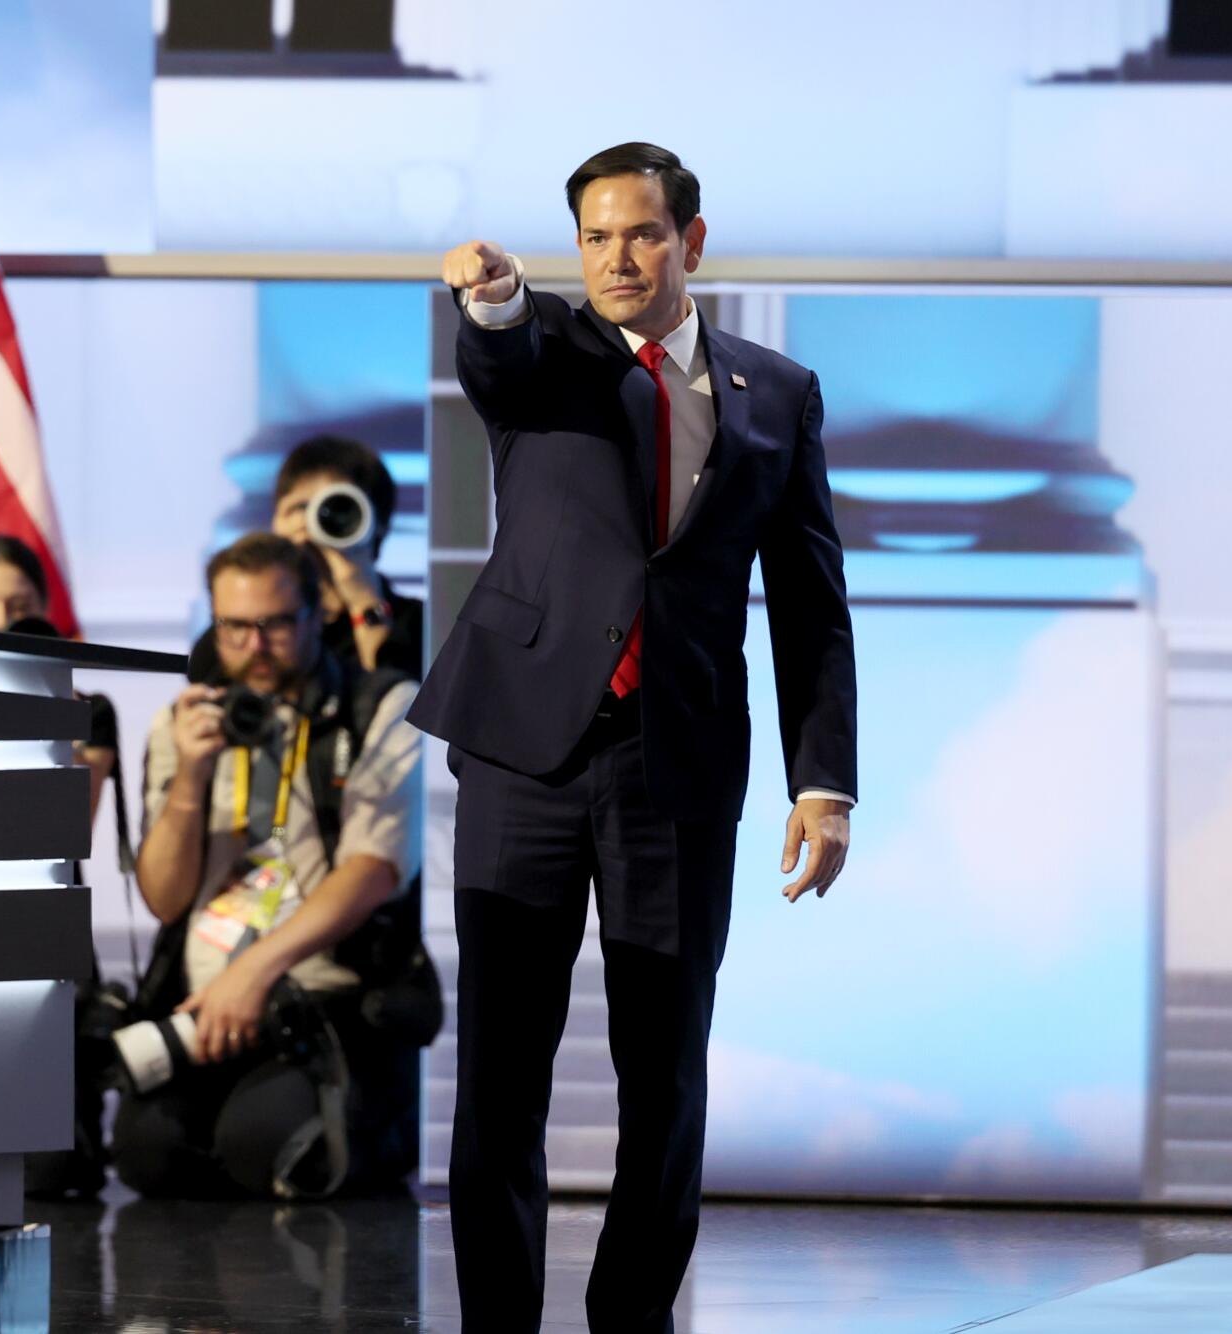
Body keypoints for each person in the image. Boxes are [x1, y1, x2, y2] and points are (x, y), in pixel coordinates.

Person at [412, 143, 860, 1332]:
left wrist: (824, 783)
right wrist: (494, 297)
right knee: (501, 1071)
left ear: (690, 241)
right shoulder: (544, 352)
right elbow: (494, 356)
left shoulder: (778, 392)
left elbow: (810, 604)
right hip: (523, 752)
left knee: (663, 1072)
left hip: (676, 765)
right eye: (596, 237)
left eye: (641, 233)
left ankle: (630, 1319)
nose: (616, 257)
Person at [114, 532, 428, 1198]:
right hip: (207, 1006)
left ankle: (377, 1126)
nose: (254, 647)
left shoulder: (379, 708)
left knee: (263, 1149)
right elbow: (165, 899)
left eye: (276, 624)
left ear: (318, 616)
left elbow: (374, 868)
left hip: (323, 1001)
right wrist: (190, 779)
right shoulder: (186, 722)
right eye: (234, 627)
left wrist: (254, 971)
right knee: (147, 1156)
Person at [0, 534, 125, 1199]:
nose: (0, 622)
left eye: (17, 605)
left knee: (50, 1175)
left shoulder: (85, 711)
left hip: (46, 940)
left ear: (46, 612)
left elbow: (67, 832)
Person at [187, 436, 424, 683]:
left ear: (378, 525)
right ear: (275, 521)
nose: (313, 523)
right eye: (300, 508)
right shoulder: (244, 633)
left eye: (335, 507)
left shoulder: (420, 626)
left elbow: (402, 709)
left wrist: (365, 603)